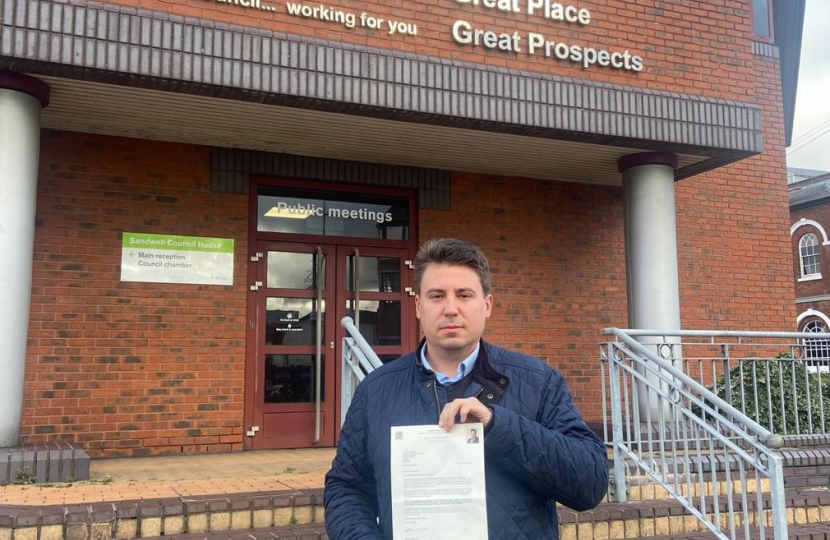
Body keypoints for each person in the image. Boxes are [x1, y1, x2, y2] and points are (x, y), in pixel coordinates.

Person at [324, 238, 609, 540]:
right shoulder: (376, 391)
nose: (450, 309)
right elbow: (346, 488)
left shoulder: (539, 381)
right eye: (436, 296)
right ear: (419, 306)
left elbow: (589, 483)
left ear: (487, 305)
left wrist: (498, 427)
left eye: (464, 295)